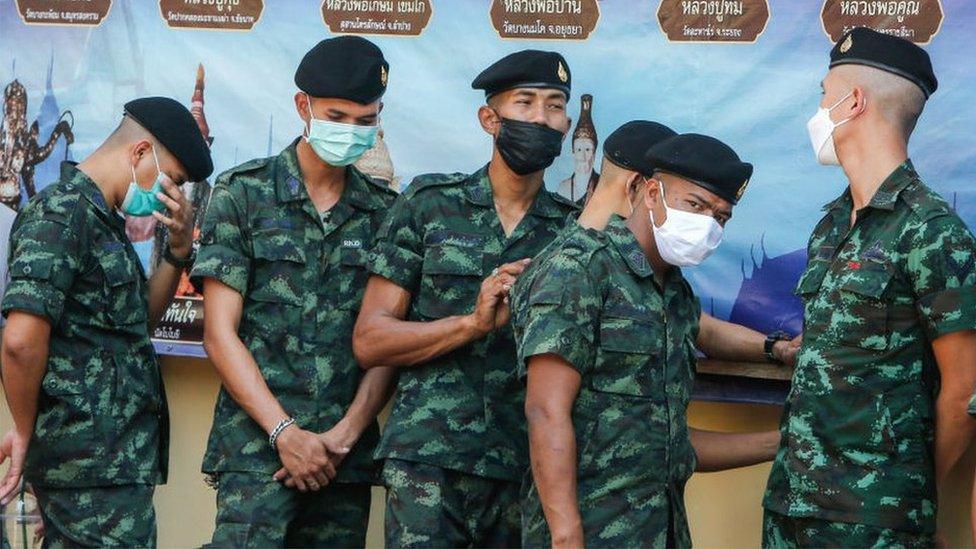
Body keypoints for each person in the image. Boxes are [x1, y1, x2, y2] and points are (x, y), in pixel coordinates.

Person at [352, 49, 580, 547]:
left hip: (526, 467)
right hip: (427, 463)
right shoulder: (430, 204)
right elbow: (371, 341)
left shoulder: (573, 233)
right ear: (490, 118)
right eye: (526, 103)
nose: (542, 118)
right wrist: (470, 324)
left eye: (555, 106)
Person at [762, 27, 976, 547]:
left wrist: (915, 493)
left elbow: (965, 391)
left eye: (822, 95)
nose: (816, 110)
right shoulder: (832, 225)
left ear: (852, 102)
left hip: (873, 520)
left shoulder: (932, 232)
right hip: (790, 505)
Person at [516, 132, 781, 547]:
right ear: (651, 192)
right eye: (695, 205)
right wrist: (566, 535)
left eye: (721, 217)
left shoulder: (675, 294)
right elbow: (546, 411)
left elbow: (669, 441)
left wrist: (779, 428)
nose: (708, 225)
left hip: (662, 530)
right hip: (589, 530)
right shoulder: (581, 269)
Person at [190, 37, 398, 547]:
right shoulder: (244, 193)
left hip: (342, 460)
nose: (351, 130)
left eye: (364, 120)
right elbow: (220, 334)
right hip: (256, 452)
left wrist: (344, 436)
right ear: (302, 106)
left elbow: (386, 341)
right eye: (337, 115)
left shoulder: (385, 214)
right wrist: (285, 433)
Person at [0, 96, 211, 547]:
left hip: (110, 464)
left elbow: (139, 323)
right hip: (89, 463)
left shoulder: (103, 220)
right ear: (139, 154)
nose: (175, 196)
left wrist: (176, 251)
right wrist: (24, 431)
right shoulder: (61, 213)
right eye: (173, 180)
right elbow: (20, 341)